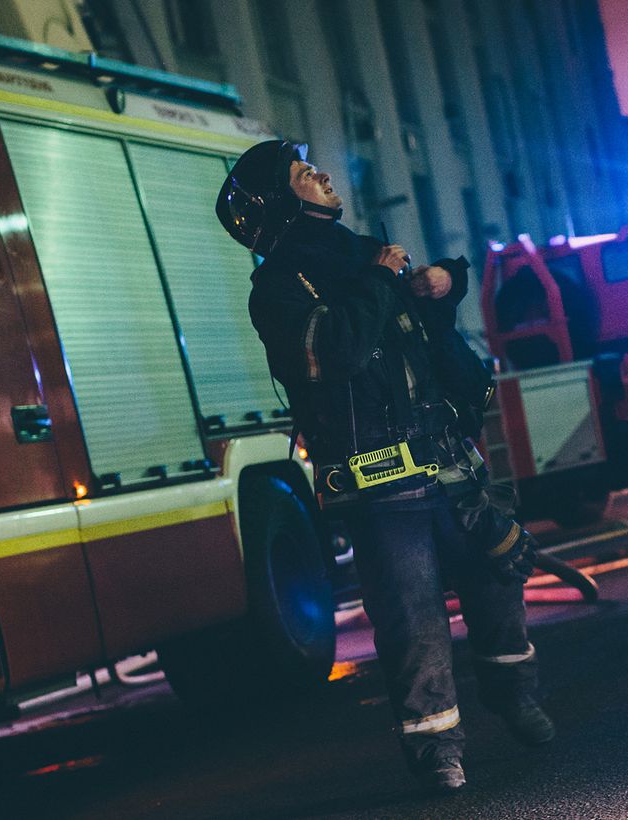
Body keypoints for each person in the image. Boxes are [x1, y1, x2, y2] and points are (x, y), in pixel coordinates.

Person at [215, 140, 554, 792]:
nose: (321, 174)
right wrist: (378, 279)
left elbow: (426, 339)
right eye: (302, 173)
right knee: (412, 619)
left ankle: (513, 693)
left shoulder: (363, 253)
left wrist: (445, 282)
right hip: (380, 492)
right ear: (282, 202)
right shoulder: (279, 289)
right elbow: (334, 350)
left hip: (448, 464)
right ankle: (437, 753)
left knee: (498, 573)